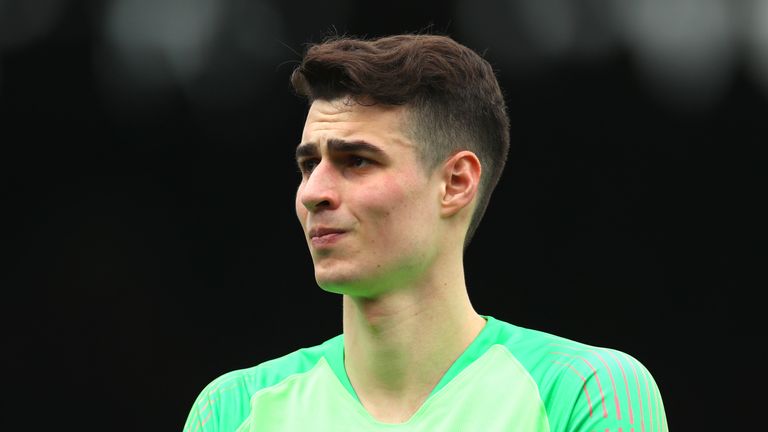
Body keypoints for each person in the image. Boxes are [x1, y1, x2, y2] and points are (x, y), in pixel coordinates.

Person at [182, 33, 668, 432]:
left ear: (456, 183)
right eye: (309, 165)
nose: (314, 192)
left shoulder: (582, 390)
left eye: (356, 161)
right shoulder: (232, 410)